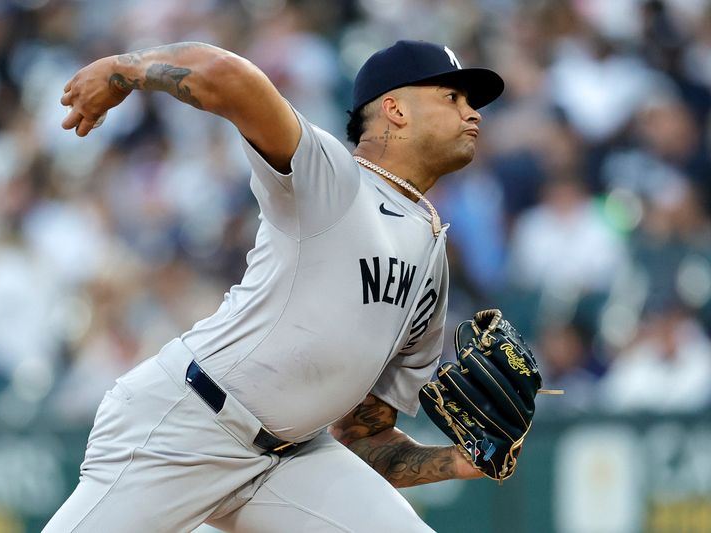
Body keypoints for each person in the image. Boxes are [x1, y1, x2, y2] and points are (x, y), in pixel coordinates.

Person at [46, 39, 504, 533]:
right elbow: (231, 77)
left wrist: (465, 459)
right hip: (189, 424)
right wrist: (122, 69)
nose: (473, 112)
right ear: (394, 109)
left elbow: (363, 436)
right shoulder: (334, 178)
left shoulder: (432, 249)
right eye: (452, 97)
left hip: (293, 458)